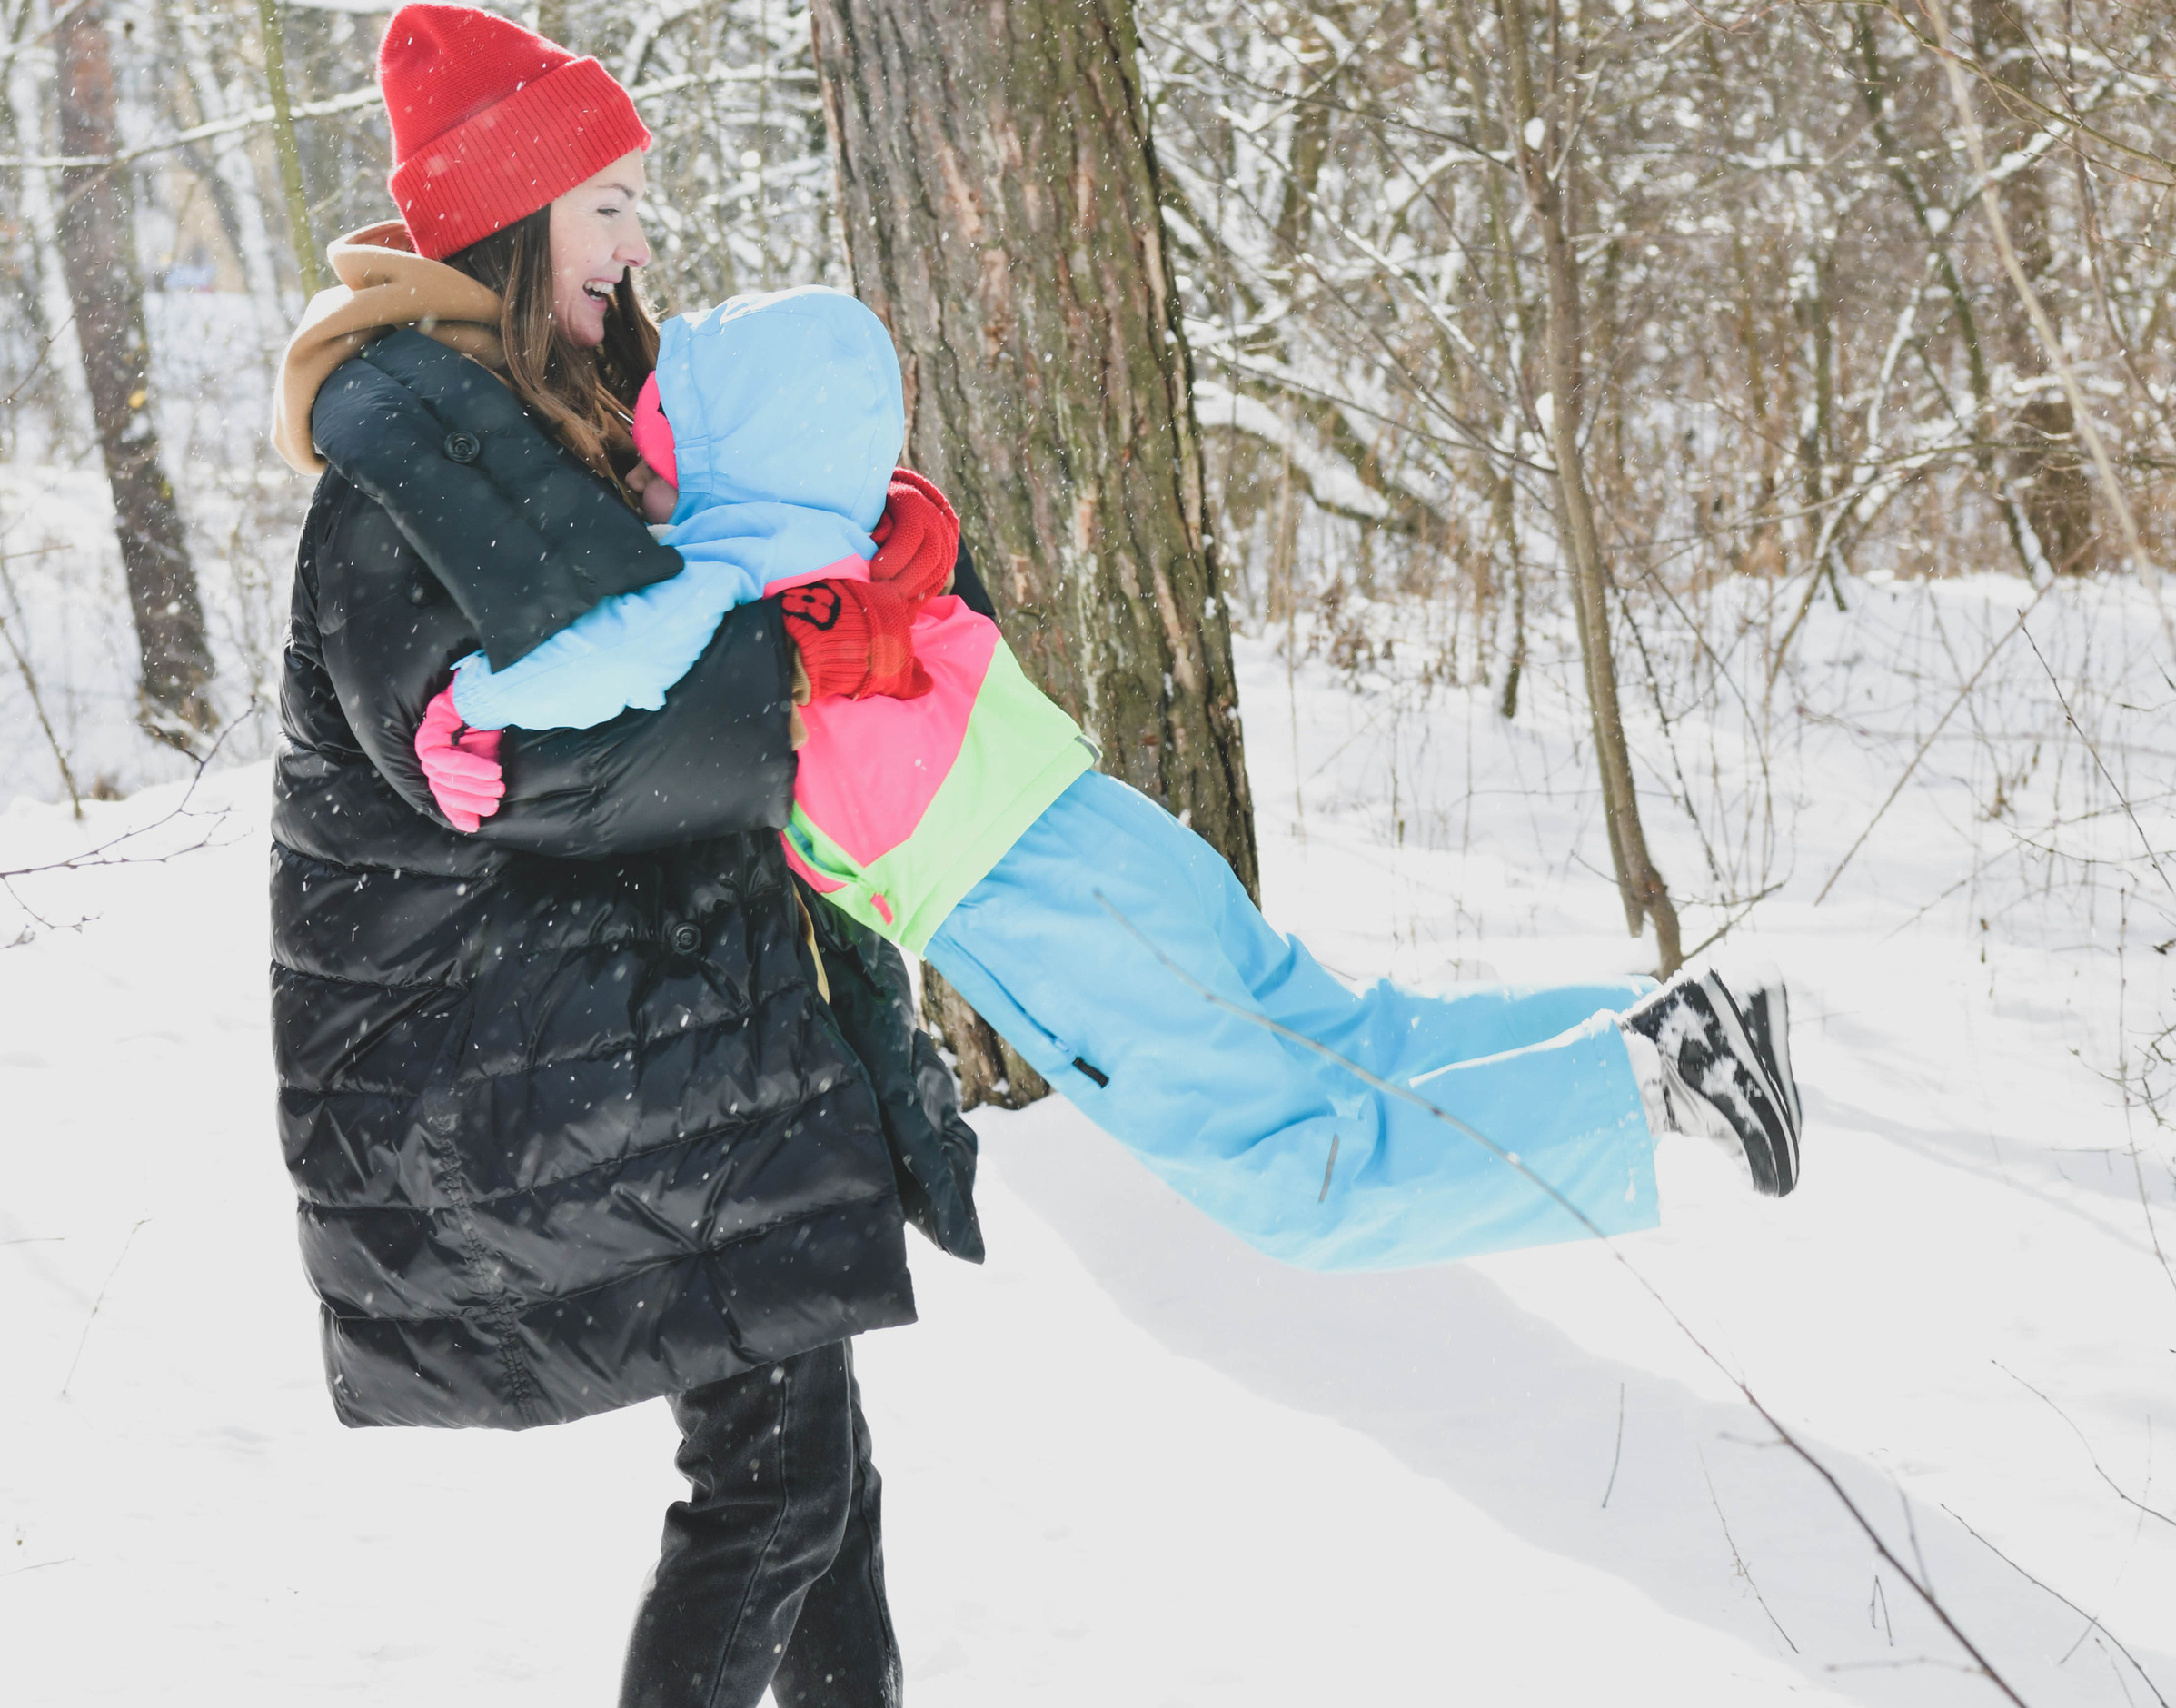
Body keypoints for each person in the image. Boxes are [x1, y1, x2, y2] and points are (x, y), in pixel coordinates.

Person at [269, 3, 980, 1708]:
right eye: (604, 202)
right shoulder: (400, 485)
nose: (634, 238)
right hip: (524, 1067)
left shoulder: (559, 422)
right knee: (772, 1477)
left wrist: (848, 593)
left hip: (658, 1039)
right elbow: (555, 772)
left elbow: (691, 626)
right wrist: (782, 667)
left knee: (805, 1454)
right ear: (508, 225)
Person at [420, 289, 1804, 1263]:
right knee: (1353, 1047)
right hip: (1098, 854)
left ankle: (1650, 1083)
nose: (644, 477)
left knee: (1300, 1190)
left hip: (1046, 901)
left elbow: (614, 655)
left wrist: (474, 706)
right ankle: (1675, 1025)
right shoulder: (855, 545)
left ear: (730, 462)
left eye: (660, 447)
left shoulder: (751, 573)